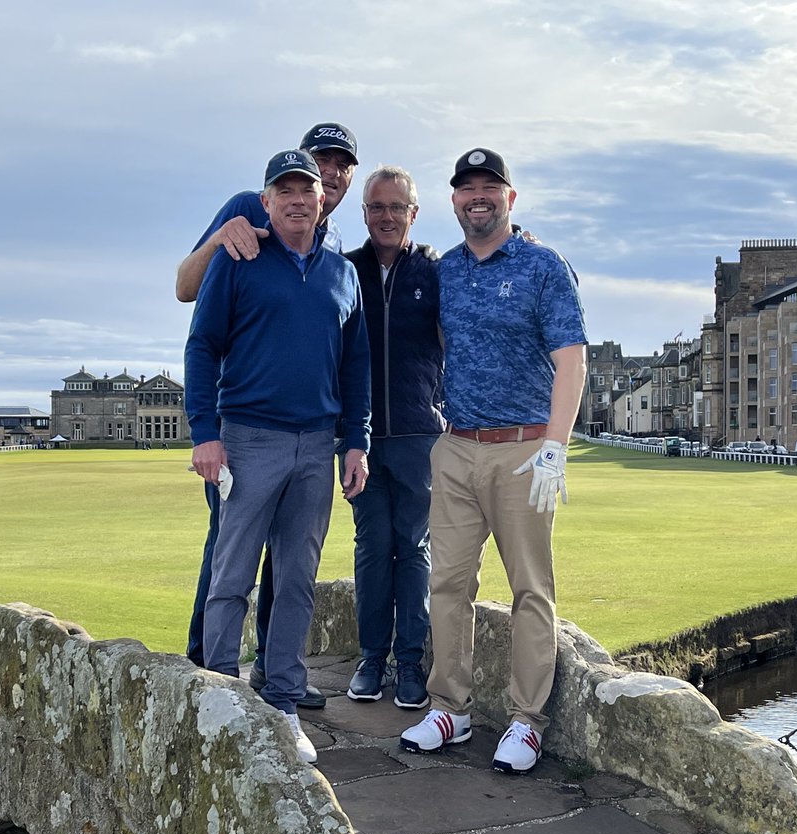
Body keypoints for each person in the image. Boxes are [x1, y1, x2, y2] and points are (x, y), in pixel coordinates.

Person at [400, 148, 587, 774]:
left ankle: (526, 721)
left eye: (489, 187)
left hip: (525, 447)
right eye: (466, 188)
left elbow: (571, 361)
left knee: (531, 589)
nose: (477, 196)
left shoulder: (542, 265)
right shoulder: (444, 270)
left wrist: (555, 448)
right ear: (453, 201)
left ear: (511, 198)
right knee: (447, 583)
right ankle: (448, 708)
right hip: (456, 447)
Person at [185, 148, 371, 764]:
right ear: (265, 201)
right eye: (283, 190)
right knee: (231, 574)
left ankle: (284, 702)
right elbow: (203, 345)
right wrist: (204, 433)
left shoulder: (341, 274)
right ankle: (219, 697)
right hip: (247, 438)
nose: (296, 200)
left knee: (296, 578)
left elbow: (356, 367)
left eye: (307, 191)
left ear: (323, 203)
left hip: (318, 445)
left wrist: (355, 441)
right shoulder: (239, 260)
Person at [341, 166, 443, 708]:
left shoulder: (435, 271)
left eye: (396, 207)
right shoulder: (345, 269)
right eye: (377, 207)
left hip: (418, 436)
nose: (386, 216)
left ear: (413, 213)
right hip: (358, 439)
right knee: (372, 549)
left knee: (414, 548)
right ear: (365, 213)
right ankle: (371, 660)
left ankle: (409, 665)